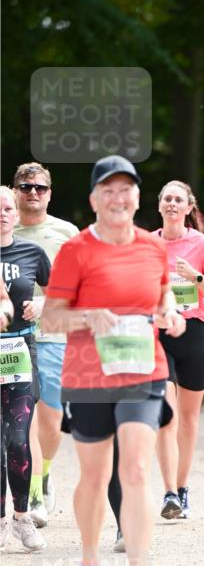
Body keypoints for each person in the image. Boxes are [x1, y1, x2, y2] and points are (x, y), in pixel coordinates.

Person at [41, 156, 186, 566]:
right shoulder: (76, 251)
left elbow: (164, 300)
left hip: (144, 370)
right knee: (95, 474)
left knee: (138, 469)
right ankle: (88, 564)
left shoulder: (152, 248)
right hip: (87, 376)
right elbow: (50, 316)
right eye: (108, 190)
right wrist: (88, 315)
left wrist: (172, 315)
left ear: (138, 197)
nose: (118, 198)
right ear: (93, 199)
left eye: (126, 189)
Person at [152, 181, 204, 520]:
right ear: (159, 206)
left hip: (195, 333)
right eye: (166, 198)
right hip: (159, 334)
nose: (171, 204)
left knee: (188, 420)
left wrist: (195, 276)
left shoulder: (203, 244)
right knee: (165, 416)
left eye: (178, 199)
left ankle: (182, 488)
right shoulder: (146, 244)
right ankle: (169, 491)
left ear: (188, 207)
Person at [14, 162, 79, 525]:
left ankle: (46, 472)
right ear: (15, 192)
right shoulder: (6, 229)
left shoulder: (66, 232)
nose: (32, 193)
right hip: (13, 339)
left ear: (49, 193)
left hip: (55, 335)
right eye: (25, 187)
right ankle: (34, 495)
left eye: (39, 187)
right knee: (23, 420)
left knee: (50, 420)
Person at [1, 185, 51, 552]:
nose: (1, 214)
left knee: (18, 439)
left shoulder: (32, 252)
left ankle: (21, 518)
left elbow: (59, 292)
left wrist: (40, 305)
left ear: (16, 214)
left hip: (19, 350)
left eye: (6, 208)